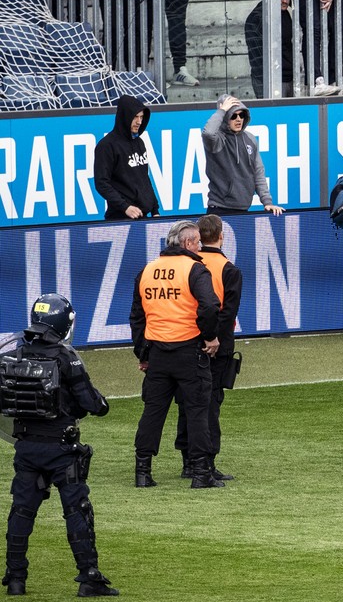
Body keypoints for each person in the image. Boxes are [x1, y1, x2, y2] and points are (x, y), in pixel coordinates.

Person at [0, 295, 116, 597]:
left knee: (21, 512)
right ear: (64, 323)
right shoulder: (66, 356)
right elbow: (92, 403)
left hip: (26, 448)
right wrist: (101, 403)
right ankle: (89, 577)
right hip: (61, 449)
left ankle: (15, 578)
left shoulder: (17, 350)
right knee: (77, 510)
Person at [129, 221, 221, 489]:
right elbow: (210, 306)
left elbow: (137, 317)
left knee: (153, 413)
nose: (200, 247)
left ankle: (142, 471)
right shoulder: (194, 269)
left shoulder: (147, 270)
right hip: (189, 350)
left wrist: (143, 354)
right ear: (189, 243)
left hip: (157, 353)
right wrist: (210, 336)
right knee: (196, 411)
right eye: (198, 243)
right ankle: (201, 472)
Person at [171, 215, 243, 482]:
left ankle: (188, 460)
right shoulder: (228, 269)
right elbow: (227, 315)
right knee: (210, 405)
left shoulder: (188, 264)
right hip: (215, 346)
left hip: (187, 341)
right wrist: (214, 340)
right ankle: (207, 462)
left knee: (186, 402)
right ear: (221, 235)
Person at [202, 97, 284, 216]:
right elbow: (208, 133)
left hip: (243, 210)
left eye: (242, 115)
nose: (239, 119)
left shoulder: (249, 139)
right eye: (233, 116)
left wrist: (267, 201)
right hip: (219, 209)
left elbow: (258, 173)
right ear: (225, 118)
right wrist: (222, 110)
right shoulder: (218, 140)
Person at [94, 95, 159, 221]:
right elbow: (101, 183)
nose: (139, 122)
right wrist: (125, 207)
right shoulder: (106, 145)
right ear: (125, 116)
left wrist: (155, 209)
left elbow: (144, 179)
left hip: (144, 217)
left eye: (141, 117)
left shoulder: (139, 142)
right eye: (135, 117)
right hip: (120, 218)